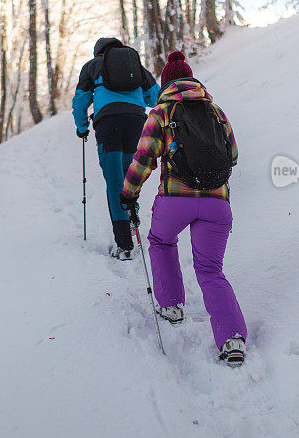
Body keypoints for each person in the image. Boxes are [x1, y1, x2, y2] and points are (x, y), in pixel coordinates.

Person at [119, 51, 247, 366]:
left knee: (161, 241)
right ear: (192, 81)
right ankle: (231, 340)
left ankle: (172, 306)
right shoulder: (215, 111)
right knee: (210, 270)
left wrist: (128, 193)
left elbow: (144, 159)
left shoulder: (162, 113)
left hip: (175, 201)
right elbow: (233, 156)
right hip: (217, 204)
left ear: (166, 85)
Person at [72, 38, 159, 260]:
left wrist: (82, 127)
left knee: (114, 182)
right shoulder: (134, 66)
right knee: (130, 176)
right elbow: (154, 96)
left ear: (98, 51)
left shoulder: (92, 66)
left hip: (108, 124)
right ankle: (131, 218)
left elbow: (81, 100)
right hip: (136, 122)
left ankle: (124, 245)